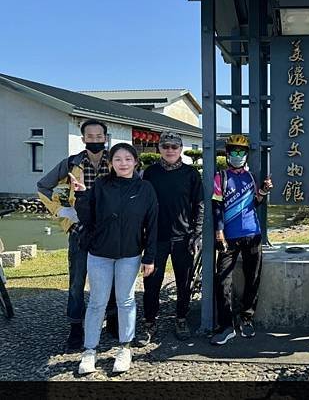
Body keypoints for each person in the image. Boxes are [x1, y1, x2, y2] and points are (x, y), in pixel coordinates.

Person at [72, 143, 158, 374]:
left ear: (136, 162)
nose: (123, 163)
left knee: (126, 301)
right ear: (110, 164)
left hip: (129, 254)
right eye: (118, 159)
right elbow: (87, 218)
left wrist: (149, 257)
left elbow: (152, 224)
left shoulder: (145, 188)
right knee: (97, 302)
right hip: (99, 254)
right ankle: (90, 350)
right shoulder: (101, 185)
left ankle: (125, 347)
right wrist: (80, 195)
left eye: (128, 159)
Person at [37, 119, 118, 350]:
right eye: (90, 137)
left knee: (111, 277)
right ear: (83, 139)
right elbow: (43, 185)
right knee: (77, 280)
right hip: (80, 229)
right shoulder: (71, 163)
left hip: (107, 229)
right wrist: (62, 212)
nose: (95, 140)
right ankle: (75, 325)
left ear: (106, 137)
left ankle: (112, 319)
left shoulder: (115, 162)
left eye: (99, 136)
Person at [140, 131, 204, 344]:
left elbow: (200, 205)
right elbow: (141, 206)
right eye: (165, 146)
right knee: (151, 282)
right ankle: (149, 321)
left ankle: (181, 318)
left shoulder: (191, 174)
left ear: (181, 149)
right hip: (155, 237)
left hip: (183, 237)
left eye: (174, 147)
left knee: (183, 282)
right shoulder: (150, 172)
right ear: (159, 148)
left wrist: (197, 233)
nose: (170, 150)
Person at [210, 134, 273, 345]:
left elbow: (254, 203)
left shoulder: (251, 177)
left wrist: (263, 191)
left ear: (246, 155)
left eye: (241, 152)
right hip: (228, 238)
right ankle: (227, 325)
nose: (237, 155)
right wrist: (219, 231)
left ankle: (247, 318)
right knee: (222, 280)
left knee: (253, 277)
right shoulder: (221, 177)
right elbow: (216, 206)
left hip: (253, 234)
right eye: (233, 152)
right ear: (227, 154)